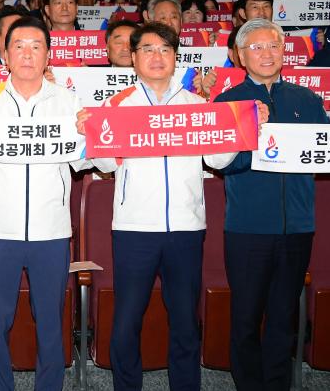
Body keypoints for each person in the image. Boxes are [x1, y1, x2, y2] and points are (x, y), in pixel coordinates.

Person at [76, 22, 262, 391]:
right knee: (127, 319)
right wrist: (89, 131)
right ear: (133, 58)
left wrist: (246, 128)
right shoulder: (117, 106)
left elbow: (220, 161)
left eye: (164, 49)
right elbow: (107, 165)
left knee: (184, 321)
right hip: (134, 230)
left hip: (186, 229)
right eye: (147, 49)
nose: (156, 57)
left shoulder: (198, 107)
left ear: (176, 57)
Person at [0, 16, 87, 390]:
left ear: (48, 55)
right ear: (4, 55)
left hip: (52, 230)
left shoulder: (69, 102)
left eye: (35, 46)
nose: (27, 54)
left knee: (51, 321)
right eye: (18, 46)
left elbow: (85, 162)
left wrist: (90, 134)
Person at [214, 19, 329, 390]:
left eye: (274, 46)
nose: (267, 53)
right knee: (246, 317)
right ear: (240, 56)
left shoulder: (307, 100)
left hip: (297, 227)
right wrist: (255, 142)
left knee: (283, 317)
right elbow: (222, 164)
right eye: (257, 47)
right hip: (248, 228)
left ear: (284, 52)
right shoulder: (228, 103)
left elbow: (320, 156)